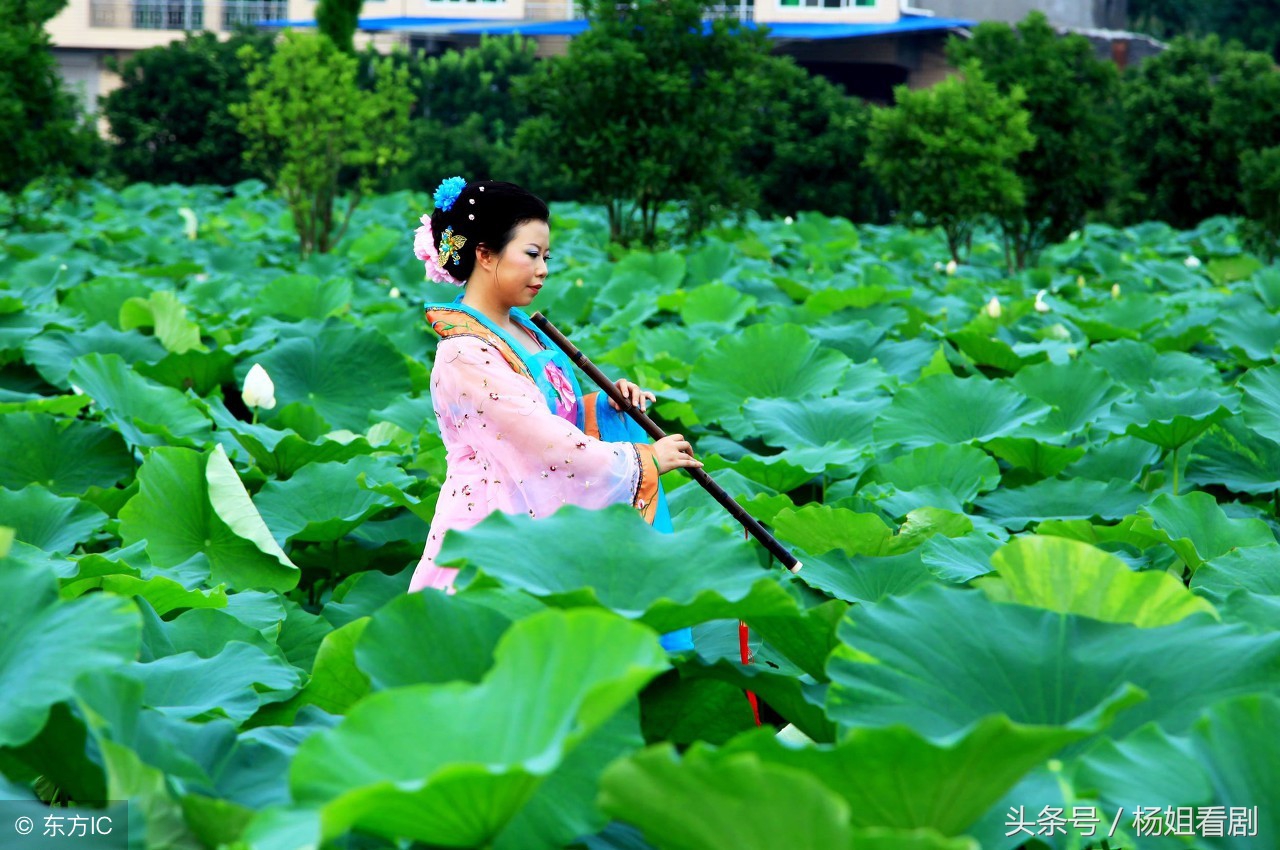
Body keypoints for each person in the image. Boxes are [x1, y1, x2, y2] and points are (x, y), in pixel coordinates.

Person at [407, 177, 702, 652]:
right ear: (485, 254)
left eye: (547, 256)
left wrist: (603, 407)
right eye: (532, 254)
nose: (543, 269)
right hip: (495, 523)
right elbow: (541, 439)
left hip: (535, 511)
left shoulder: (522, 329)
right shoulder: (464, 353)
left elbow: (549, 414)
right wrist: (641, 459)